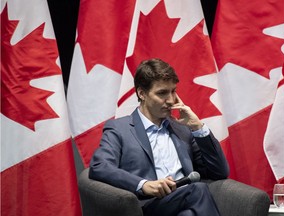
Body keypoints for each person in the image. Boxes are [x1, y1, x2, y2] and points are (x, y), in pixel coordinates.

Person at [89, 58, 230, 216]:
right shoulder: (119, 129)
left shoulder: (182, 129)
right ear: (142, 93)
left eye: (173, 91)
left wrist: (198, 127)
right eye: (162, 93)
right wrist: (144, 185)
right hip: (148, 206)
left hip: (184, 203)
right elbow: (100, 167)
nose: (170, 100)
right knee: (197, 190)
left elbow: (219, 172)